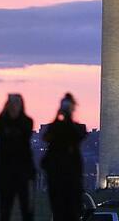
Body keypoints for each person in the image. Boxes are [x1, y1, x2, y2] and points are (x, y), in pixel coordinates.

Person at [41, 93, 88, 221]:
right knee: (58, 214)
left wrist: (67, 118)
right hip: (58, 178)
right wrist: (58, 117)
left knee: (72, 214)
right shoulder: (55, 127)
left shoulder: (79, 128)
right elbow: (46, 136)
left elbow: (79, 135)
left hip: (71, 179)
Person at [0, 94, 35, 221]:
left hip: (22, 170)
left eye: (17, 103)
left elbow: (26, 132)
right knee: (5, 208)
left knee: (26, 208)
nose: (14, 106)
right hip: (5, 170)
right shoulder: (3, 122)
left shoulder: (27, 121)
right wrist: (4, 111)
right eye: (12, 104)